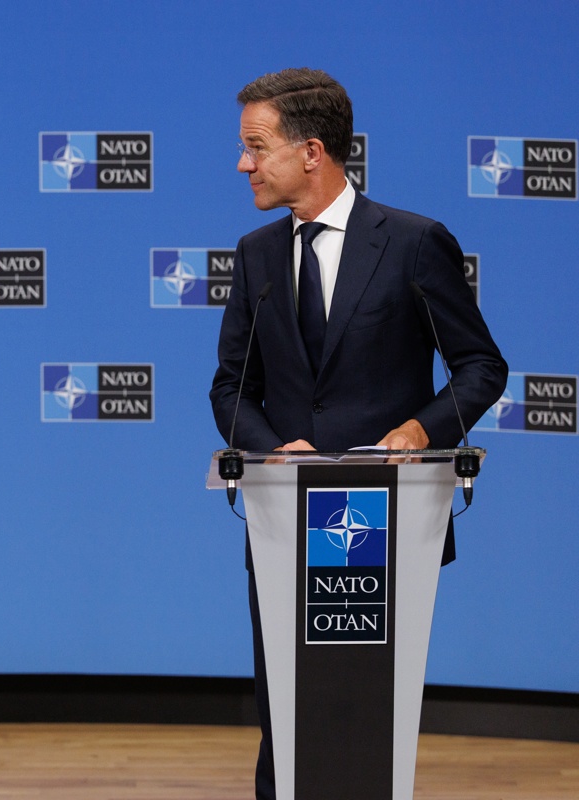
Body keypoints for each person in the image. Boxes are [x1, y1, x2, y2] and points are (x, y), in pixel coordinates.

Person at [209, 68, 506, 800]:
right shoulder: (255, 256)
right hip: (284, 523)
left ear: (312, 152)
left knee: (363, 716)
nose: (243, 163)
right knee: (287, 721)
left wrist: (418, 429)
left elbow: (480, 366)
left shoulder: (412, 243)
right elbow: (230, 387)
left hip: (386, 523)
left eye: (256, 147)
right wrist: (275, 447)